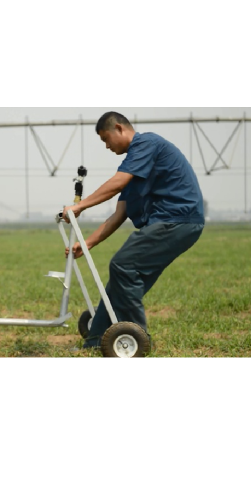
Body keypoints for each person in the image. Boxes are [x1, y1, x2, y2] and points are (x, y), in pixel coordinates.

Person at [63, 111, 204, 348]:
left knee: (123, 265)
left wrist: (80, 206)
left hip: (178, 220)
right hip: (171, 223)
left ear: (119, 128)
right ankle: (96, 341)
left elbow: (117, 182)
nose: (106, 146)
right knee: (121, 280)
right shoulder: (136, 167)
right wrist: (87, 244)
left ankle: (138, 343)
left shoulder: (146, 144)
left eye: (106, 139)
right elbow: (119, 214)